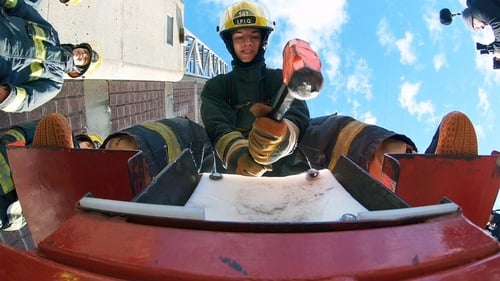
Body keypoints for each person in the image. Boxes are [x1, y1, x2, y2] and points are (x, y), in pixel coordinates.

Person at [200, 0, 478, 180]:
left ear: (263, 40)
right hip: (225, 169)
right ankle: (153, 173)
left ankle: (413, 177)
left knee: (335, 127)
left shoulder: (278, 79)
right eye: (239, 38)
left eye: (253, 36)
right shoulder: (217, 87)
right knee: (184, 132)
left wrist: (282, 139)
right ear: (229, 42)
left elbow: (297, 113)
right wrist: (239, 156)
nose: (246, 43)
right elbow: (216, 125)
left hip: (287, 163)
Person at [0, 0, 101, 113]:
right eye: (85, 51)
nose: (83, 54)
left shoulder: (54, 82)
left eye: (85, 59)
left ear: (76, 72)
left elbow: (27, 100)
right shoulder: (51, 33)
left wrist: (6, 96)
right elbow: (21, 8)